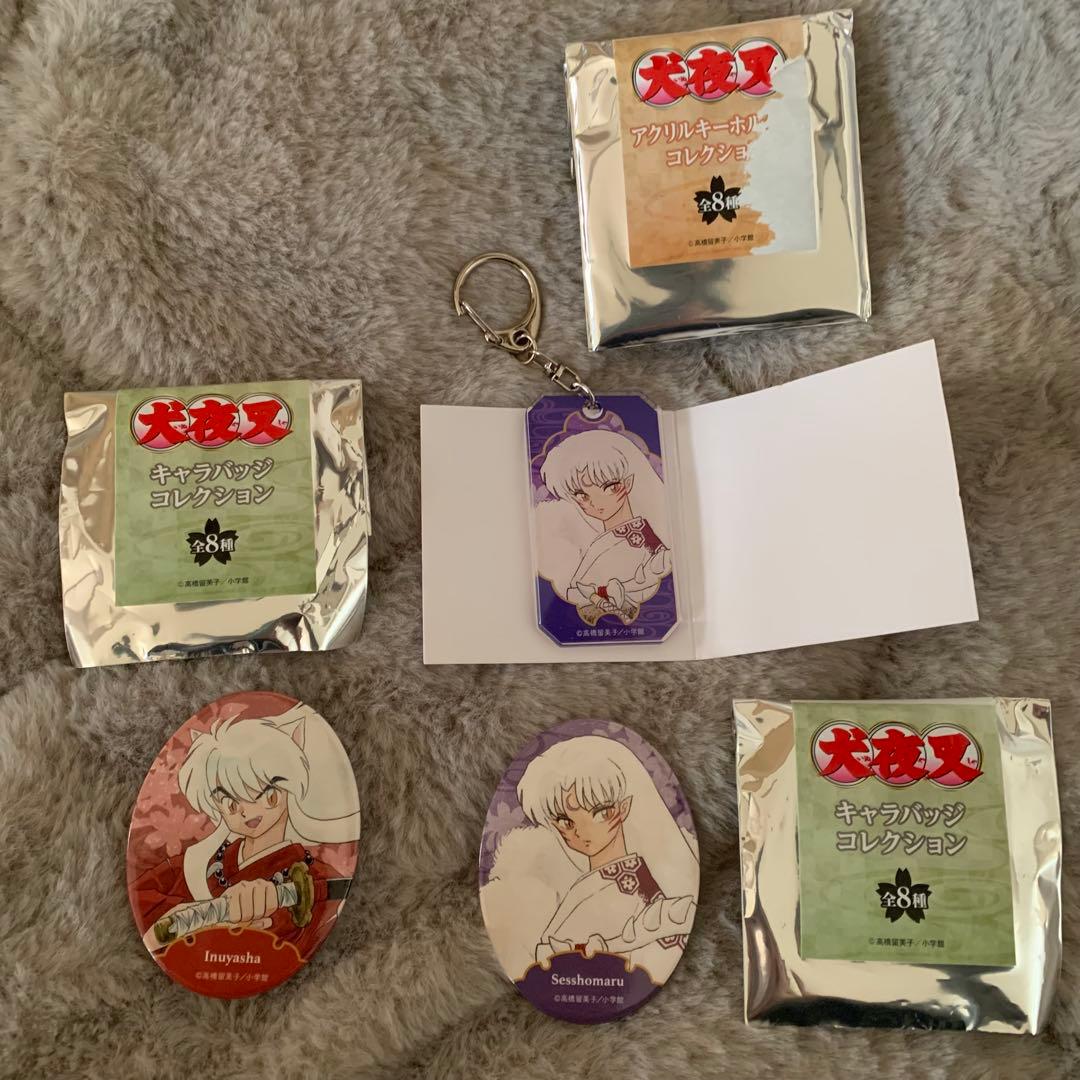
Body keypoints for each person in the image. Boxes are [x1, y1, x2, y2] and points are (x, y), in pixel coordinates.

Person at [132, 704, 360, 956]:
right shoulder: (195, 864)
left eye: (267, 795)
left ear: (288, 788)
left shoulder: (318, 879)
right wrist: (199, 917)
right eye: (230, 803)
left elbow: (304, 946)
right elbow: (140, 901)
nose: (246, 811)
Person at [482, 735, 698, 983]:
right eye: (565, 821)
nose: (581, 832)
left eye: (600, 812)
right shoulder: (580, 888)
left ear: (623, 808)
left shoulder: (642, 891)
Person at [536, 429, 672, 625]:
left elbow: (653, 579)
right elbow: (575, 591)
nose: (595, 502)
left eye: (609, 487)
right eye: (582, 496)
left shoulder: (647, 542)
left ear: (628, 483)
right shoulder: (598, 543)